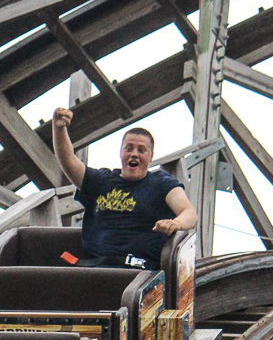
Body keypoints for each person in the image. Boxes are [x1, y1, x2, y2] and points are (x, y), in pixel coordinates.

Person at [52, 106, 199, 270]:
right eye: (129, 149)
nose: (134, 154)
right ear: (121, 153)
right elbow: (68, 160)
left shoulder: (161, 182)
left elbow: (190, 214)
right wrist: (59, 128)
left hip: (142, 273)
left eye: (141, 150)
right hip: (97, 268)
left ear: (151, 156)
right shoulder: (101, 181)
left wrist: (176, 224)